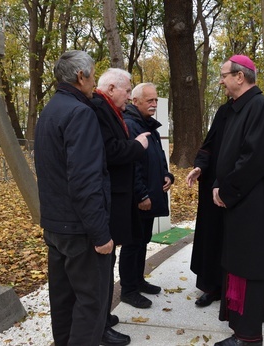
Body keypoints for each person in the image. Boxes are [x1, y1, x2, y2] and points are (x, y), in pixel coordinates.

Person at [34, 50, 113, 346]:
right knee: (91, 304)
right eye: (92, 75)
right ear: (81, 76)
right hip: (79, 229)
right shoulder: (80, 113)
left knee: (64, 301)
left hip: (55, 226)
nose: (94, 82)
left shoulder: (51, 109)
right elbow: (84, 180)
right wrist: (100, 233)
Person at [212, 55, 264, 346]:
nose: (221, 81)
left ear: (240, 77)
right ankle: (246, 320)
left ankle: (248, 337)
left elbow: (252, 160)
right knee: (241, 263)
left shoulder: (260, 106)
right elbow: (228, 153)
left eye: (224, 75)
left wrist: (226, 192)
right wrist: (219, 182)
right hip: (241, 199)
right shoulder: (239, 108)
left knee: (252, 266)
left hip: (252, 202)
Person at [92, 68, 150, 346]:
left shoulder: (108, 109)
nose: (129, 95)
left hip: (117, 196)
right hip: (109, 199)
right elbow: (111, 151)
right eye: (127, 91)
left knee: (109, 260)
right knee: (103, 263)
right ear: (112, 88)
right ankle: (99, 323)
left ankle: (103, 316)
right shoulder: (99, 110)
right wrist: (137, 146)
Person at [120, 82, 174, 309]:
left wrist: (168, 175)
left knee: (143, 241)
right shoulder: (131, 126)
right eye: (149, 100)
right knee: (132, 244)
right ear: (136, 101)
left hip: (151, 194)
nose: (154, 104)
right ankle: (128, 289)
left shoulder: (148, 125)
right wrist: (141, 195)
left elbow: (157, 158)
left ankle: (138, 280)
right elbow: (132, 165)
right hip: (138, 199)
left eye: (155, 99)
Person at [186, 104, 228, 308]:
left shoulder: (257, 110)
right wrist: (200, 167)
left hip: (239, 185)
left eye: (225, 76)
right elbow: (209, 144)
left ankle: (232, 288)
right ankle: (210, 286)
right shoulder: (224, 111)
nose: (221, 82)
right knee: (211, 236)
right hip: (213, 184)